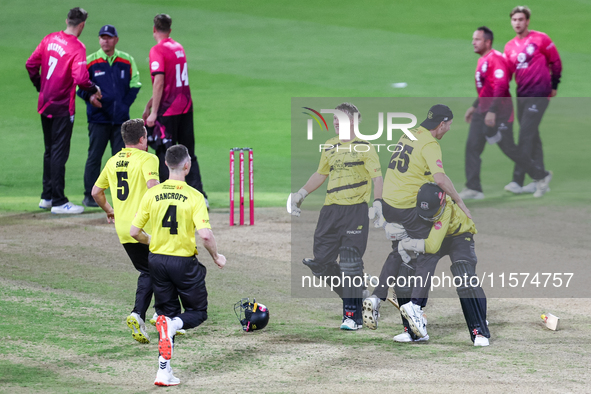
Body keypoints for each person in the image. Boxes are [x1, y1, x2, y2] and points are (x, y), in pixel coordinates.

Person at [364, 104, 469, 339]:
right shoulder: (431, 144)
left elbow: (419, 170)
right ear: (441, 124)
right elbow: (440, 179)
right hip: (406, 207)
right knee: (428, 253)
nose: (449, 129)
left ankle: (376, 297)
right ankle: (416, 307)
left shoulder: (409, 133)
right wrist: (459, 201)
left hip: (389, 204)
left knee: (400, 251)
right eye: (449, 125)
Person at [130, 144, 225, 386]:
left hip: (156, 262)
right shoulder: (194, 196)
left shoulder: (151, 194)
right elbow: (205, 235)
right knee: (197, 313)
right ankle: (174, 325)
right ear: (187, 165)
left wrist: (152, 241)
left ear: (165, 164)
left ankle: (163, 372)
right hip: (183, 263)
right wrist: (216, 256)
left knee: (164, 315)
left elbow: (134, 231)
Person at [289, 102, 383, 331]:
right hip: (330, 211)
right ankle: (356, 295)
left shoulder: (365, 147)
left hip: (355, 212)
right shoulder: (329, 146)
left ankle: (352, 317)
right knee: (321, 263)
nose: (334, 124)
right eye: (333, 121)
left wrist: (378, 203)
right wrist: (300, 194)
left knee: (350, 263)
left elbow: (377, 178)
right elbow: (321, 173)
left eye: (339, 120)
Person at [26, 7, 101, 214]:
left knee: (49, 150)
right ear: (82, 25)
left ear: (66, 20)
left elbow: (31, 64)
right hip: (61, 107)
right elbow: (80, 78)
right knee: (59, 152)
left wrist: (40, 85)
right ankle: (59, 201)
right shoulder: (77, 47)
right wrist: (93, 88)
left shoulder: (49, 39)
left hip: (45, 103)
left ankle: (47, 196)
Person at [395, 182, 490, 346]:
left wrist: (409, 244)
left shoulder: (446, 208)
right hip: (431, 236)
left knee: (465, 276)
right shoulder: (414, 204)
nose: (429, 216)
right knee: (405, 274)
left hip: (459, 237)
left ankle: (479, 331)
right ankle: (413, 330)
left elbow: (432, 246)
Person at [91, 119, 159, 344]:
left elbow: (96, 192)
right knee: (165, 267)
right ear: (141, 139)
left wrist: (110, 210)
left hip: (123, 228)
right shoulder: (149, 159)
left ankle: (150, 315)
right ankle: (152, 315)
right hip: (145, 227)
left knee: (150, 270)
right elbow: (153, 189)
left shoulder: (113, 161)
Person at [460, 26, 549, 200]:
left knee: (509, 149)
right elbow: (487, 88)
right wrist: (474, 105)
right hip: (482, 111)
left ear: (488, 42)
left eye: (477, 39)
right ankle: (474, 188)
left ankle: (541, 175)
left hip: (500, 113)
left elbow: (501, 87)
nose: (473, 42)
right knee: (472, 146)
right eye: (473, 39)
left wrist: (492, 112)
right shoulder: (483, 59)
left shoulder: (496, 59)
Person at [143, 14, 208, 205]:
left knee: (165, 153)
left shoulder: (157, 50)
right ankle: (199, 197)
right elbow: (171, 82)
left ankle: (168, 197)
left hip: (168, 111)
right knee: (189, 153)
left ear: (154, 29)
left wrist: (153, 112)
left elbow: (160, 82)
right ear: (170, 30)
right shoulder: (178, 48)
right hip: (186, 107)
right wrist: (149, 104)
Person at [78, 24, 141, 208]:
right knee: (95, 157)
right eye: (102, 37)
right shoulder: (90, 61)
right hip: (98, 119)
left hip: (121, 121)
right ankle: (90, 196)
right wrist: (89, 97)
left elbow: (136, 83)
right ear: (99, 40)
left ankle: (121, 196)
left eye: (109, 37)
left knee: (121, 159)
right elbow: (79, 87)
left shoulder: (126, 60)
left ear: (116, 39)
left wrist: (124, 104)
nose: (105, 40)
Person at [503, 5, 559, 197]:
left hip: (539, 93)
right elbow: (507, 74)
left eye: (521, 19)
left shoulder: (541, 39)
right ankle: (540, 181)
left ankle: (517, 180)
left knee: (525, 135)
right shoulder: (509, 46)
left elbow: (555, 61)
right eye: (514, 20)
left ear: (527, 21)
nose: (517, 23)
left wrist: (554, 85)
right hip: (521, 95)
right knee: (533, 136)